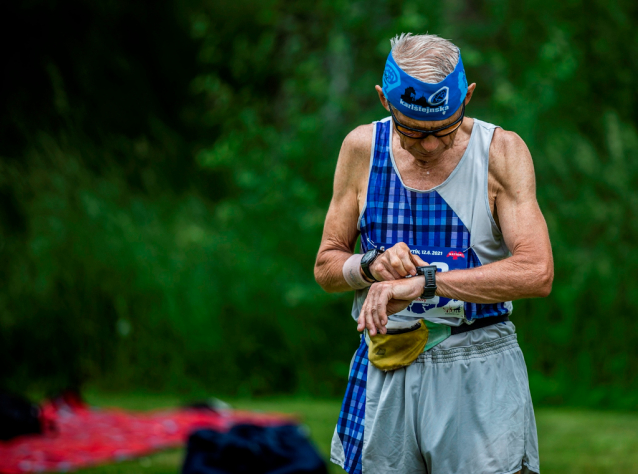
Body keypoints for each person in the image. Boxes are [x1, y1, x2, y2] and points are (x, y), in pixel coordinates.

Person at [314, 33, 553, 474]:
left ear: (469, 96)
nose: (429, 145)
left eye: (443, 129)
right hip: (385, 366)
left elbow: (537, 271)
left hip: (477, 364)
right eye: (413, 130)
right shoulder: (362, 149)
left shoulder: (499, 151)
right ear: (384, 100)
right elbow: (327, 266)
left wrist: (425, 282)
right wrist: (369, 265)